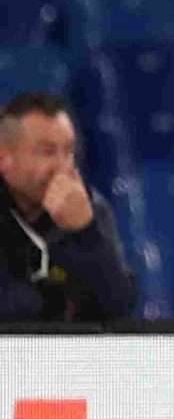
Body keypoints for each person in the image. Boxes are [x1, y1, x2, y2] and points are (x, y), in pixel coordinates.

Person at [0, 92, 137, 322]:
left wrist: (86, 232)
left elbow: (119, 310)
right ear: (5, 159)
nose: (63, 167)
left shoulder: (90, 207)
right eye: (47, 152)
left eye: (69, 152)